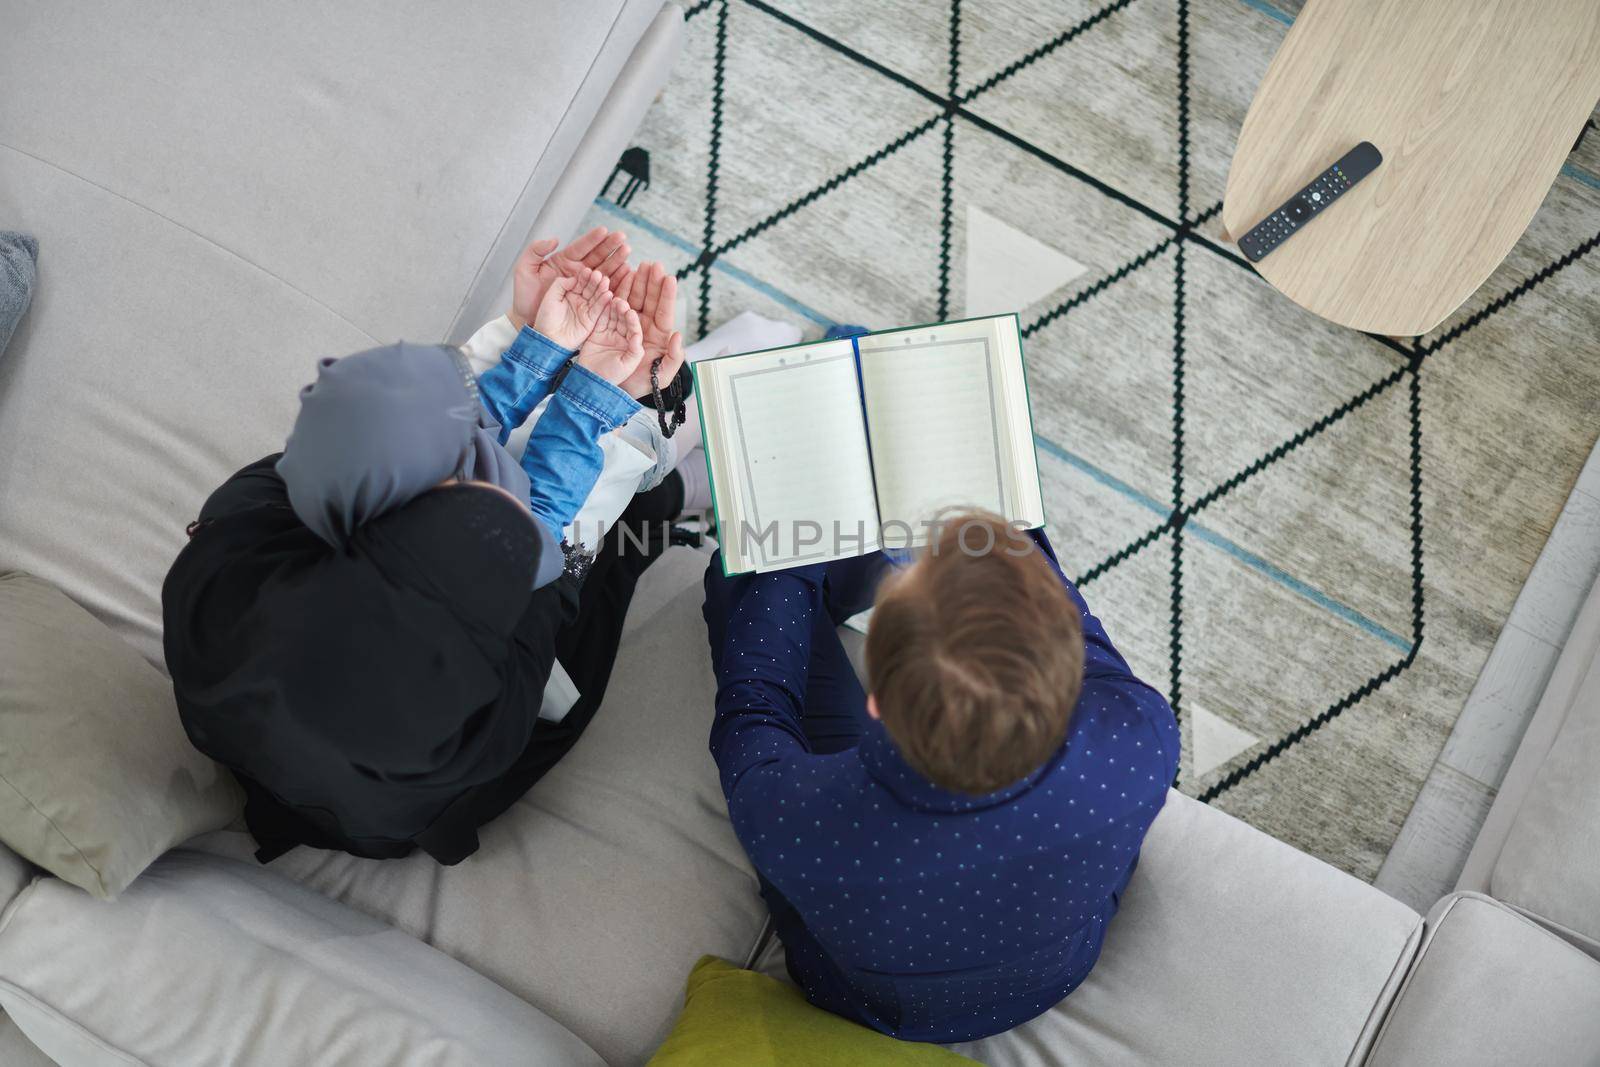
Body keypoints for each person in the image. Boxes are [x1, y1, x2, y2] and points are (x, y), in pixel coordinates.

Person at [163, 228, 687, 865]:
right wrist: (605, 409)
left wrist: (529, 343)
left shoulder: (234, 552)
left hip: (239, 723)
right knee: (639, 522)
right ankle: (675, 458)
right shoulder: (477, 728)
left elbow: (377, 445)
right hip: (395, 817)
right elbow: (549, 573)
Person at [703, 513, 1180, 1042]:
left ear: (877, 703)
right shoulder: (1141, 734)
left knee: (736, 576)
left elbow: (754, 709)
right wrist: (989, 516)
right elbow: (1061, 614)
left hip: (872, 1002)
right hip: (1053, 970)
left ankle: (830, 551)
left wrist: (789, 543)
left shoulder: (800, 820)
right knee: (985, 557)